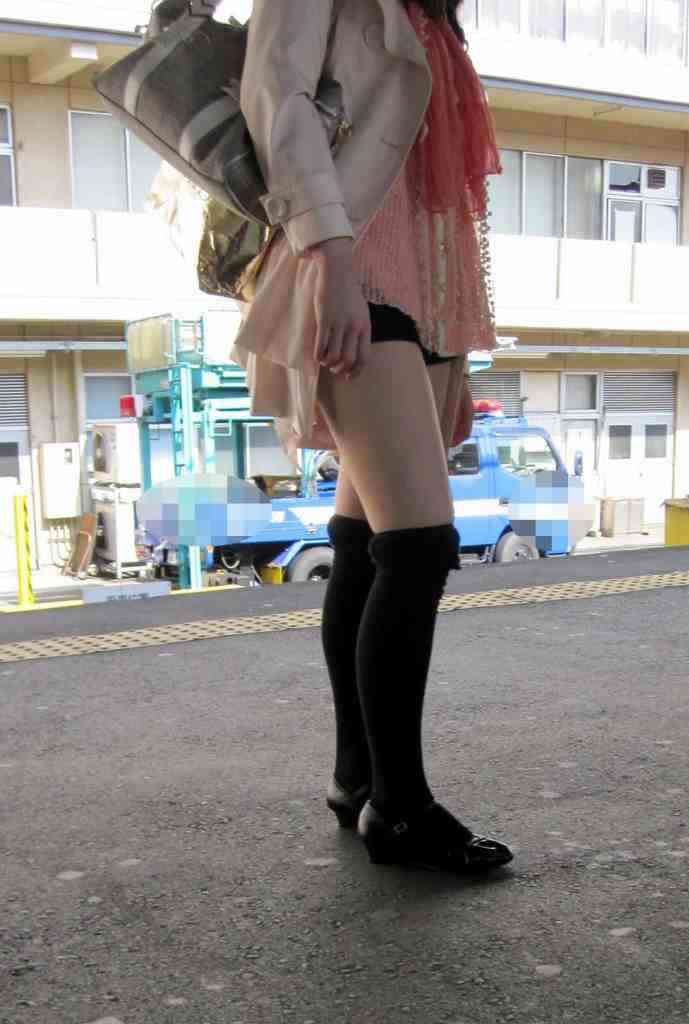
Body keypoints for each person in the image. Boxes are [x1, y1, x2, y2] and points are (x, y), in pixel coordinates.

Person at [234, 0, 513, 873]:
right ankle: (399, 806)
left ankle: (356, 776)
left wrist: (452, 339)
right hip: (351, 271)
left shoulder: (433, 13)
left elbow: (434, 176)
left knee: (362, 542)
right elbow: (276, 96)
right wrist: (330, 255)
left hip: (426, 290)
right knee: (418, 546)